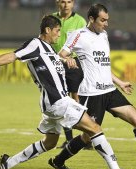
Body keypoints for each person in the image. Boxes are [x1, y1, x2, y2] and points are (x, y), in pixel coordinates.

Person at [0, 15, 136, 169]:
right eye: (57, 31)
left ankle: (8, 163)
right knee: (95, 128)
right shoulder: (35, 44)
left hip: (51, 103)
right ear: (47, 30)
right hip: (58, 102)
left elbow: (55, 69)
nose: (59, 35)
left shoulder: (50, 50)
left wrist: (66, 61)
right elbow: (12, 56)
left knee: (50, 143)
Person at [49, 4, 136, 169]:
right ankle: (59, 161)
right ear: (91, 19)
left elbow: (103, 66)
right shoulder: (78, 35)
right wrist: (68, 60)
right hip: (92, 94)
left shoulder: (103, 35)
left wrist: (120, 82)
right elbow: (60, 55)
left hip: (110, 91)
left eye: (107, 20)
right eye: (102, 20)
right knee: (87, 137)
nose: (106, 24)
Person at [51, 0, 92, 149]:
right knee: (62, 100)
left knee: (76, 99)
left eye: (69, 1)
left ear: (73, 3)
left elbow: (84, 43)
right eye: (63, 1)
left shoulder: (80, 21)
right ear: (57, 3)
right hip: (55, 64)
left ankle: (86, 138)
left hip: (73, 64)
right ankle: (69, 139)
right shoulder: (51, 19)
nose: (66, 4)